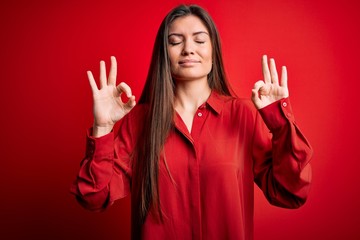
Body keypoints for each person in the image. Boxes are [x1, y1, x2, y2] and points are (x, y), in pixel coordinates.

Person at [71, 4, 312, 240]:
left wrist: (280, 123)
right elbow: (93, 197)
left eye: (199, 40)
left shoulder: (243, 115)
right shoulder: (138, 122)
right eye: (175, 41)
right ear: (164, 54)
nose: (188, 49)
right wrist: (102, 128)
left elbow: (289, 192)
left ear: (213, 51)